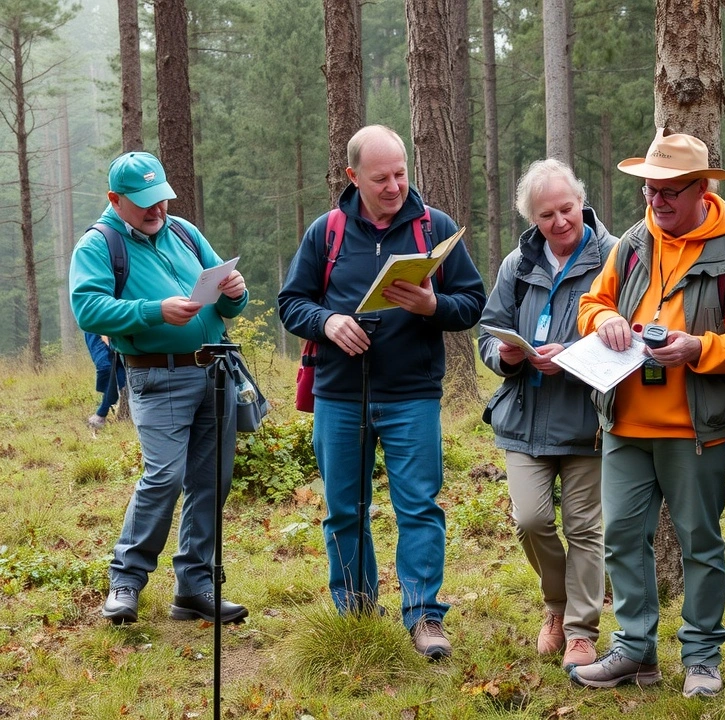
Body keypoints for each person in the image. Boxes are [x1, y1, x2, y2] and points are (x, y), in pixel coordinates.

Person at [568, 129, 725, 698]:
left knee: (699, 542)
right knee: (622, 538)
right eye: (650, 191)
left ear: (702, 189)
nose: (657, 202)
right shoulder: (633, 242)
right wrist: (601, 320)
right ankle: (635, 650)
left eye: (669, 192)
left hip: (694, 428)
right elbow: (593, 301)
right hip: (623, 424)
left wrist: (696, 349)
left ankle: (702, 657)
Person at [278, 125, 486, 660]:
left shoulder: (432, 228)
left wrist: (431, 307)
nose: (394, 186)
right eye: (381, 177)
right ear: (353, 177)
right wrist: (326, 323)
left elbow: (472, 303)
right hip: (339, 395)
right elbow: (292, 303)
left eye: (400, 174)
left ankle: (424, 618)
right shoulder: (326, 233)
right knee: (344, 508)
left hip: (412, 394)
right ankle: (356, 614)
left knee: (418, 506)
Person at [69, 151, 250, 625]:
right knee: (165, 477)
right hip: (156, 376)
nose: (157, 211)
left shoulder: (185, 232)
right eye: (145, 203)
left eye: (162, 199)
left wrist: (236, 293)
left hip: (215, 372)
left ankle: (194, 588)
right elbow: (88, 309)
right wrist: (155, 311)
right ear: (116, 199)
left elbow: (229, 302)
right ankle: (125, 582)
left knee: (212, 480)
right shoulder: (98, 244)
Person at [477, 158, 615, 671]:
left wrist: (573, 357)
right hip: (523, 418)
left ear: (581, 201)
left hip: (586, 420)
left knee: (584, 529)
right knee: (530, 520)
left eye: (567, 208)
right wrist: (505, 356)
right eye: (546, 215)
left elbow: (627, 336)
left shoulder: (613, 257)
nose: (559, 222)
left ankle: (579, 630)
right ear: (531, 219)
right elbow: (490, 332)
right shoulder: (518, 264)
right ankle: (554, 604)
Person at [85, 332, 126, 430]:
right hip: (98, 332)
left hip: (116, 335)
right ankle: (101, 412)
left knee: (121, 370)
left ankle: (102, 411)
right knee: (106, 367)